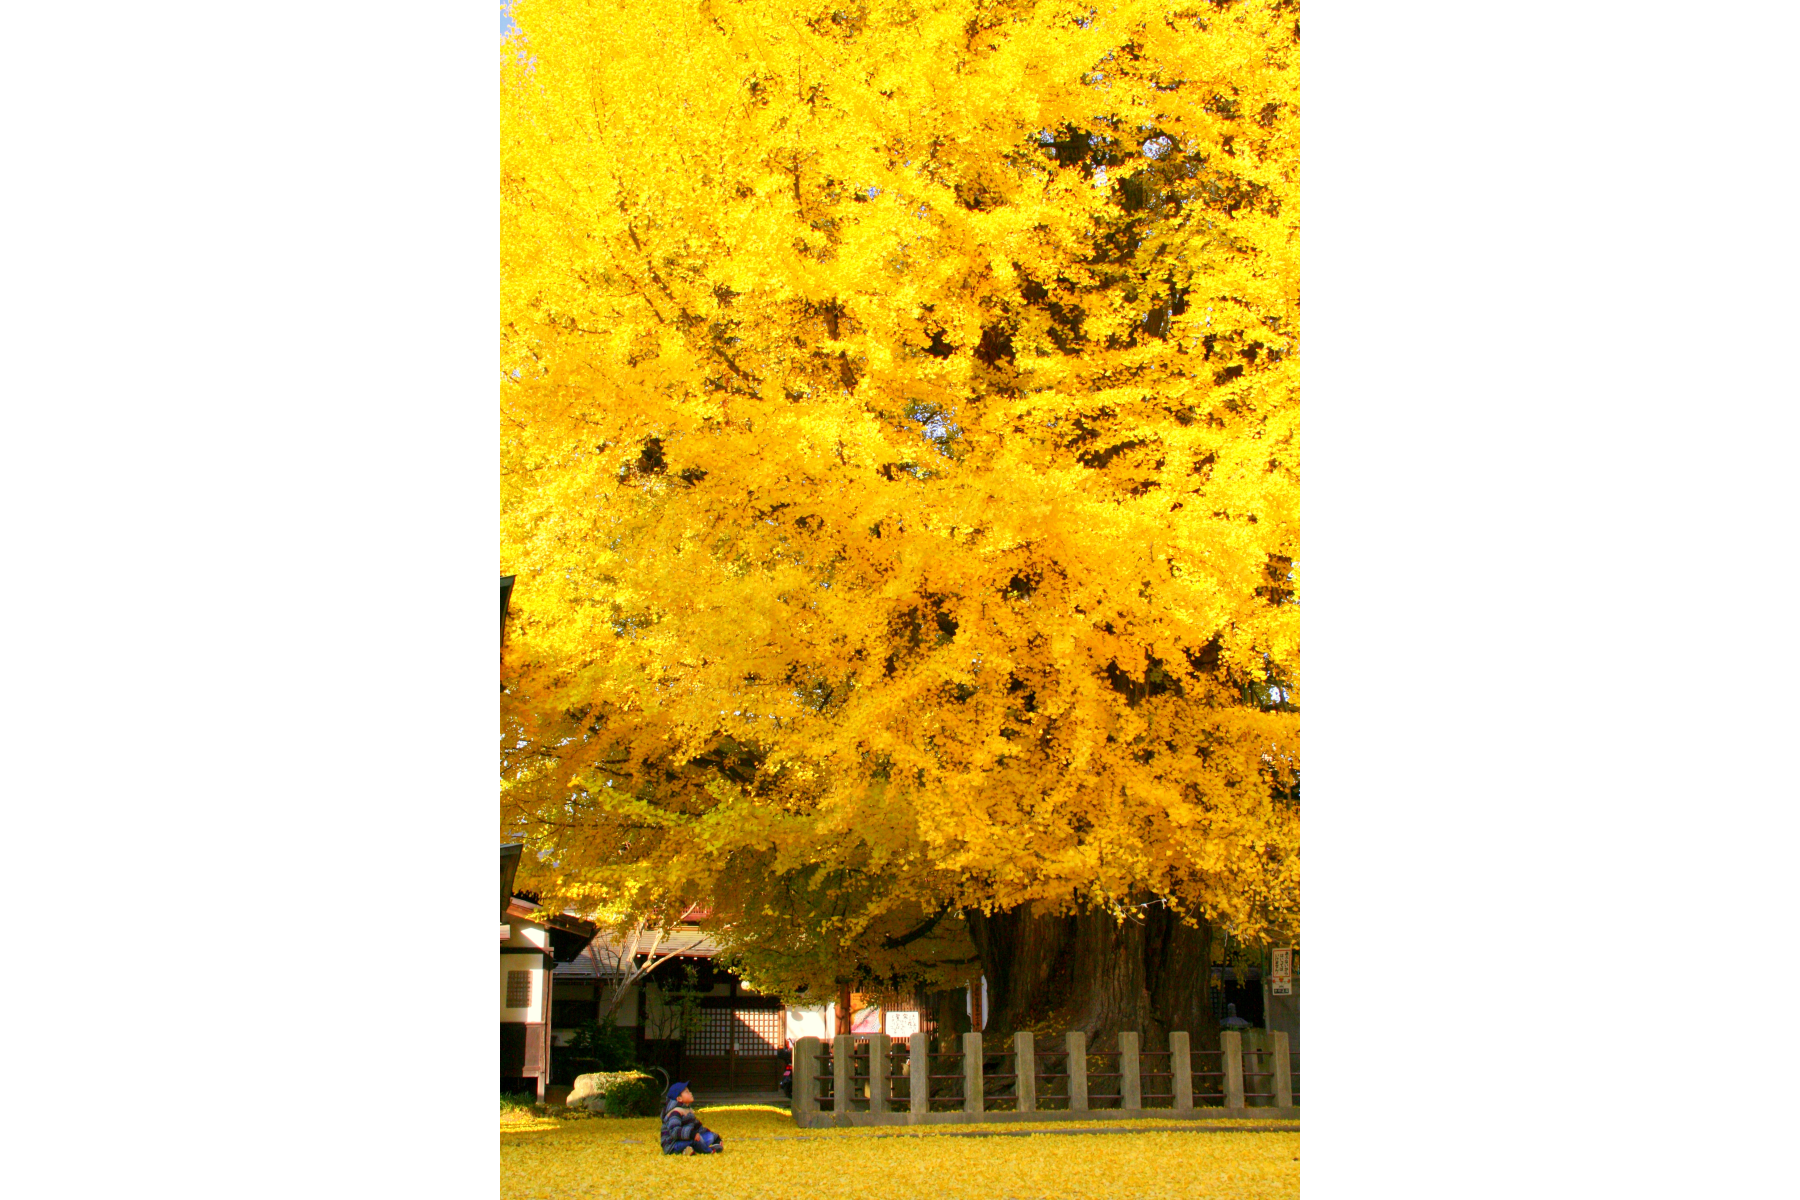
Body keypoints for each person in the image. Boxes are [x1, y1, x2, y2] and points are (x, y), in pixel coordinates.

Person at [660, 1082, 724, 1155]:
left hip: (687, 1140)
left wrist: (716, 1138)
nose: (690, 1093)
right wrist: (691, 1134)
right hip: (673, 1145)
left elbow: (699, 1128)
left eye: (689, 1091)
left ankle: (688, 1150)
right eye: (686, 1092)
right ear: (679, 1099)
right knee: (694, 1141)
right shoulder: (675, 1112)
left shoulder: (689, 1111)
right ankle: (709, 1151)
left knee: (709, 1136)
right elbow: (674, 1131)